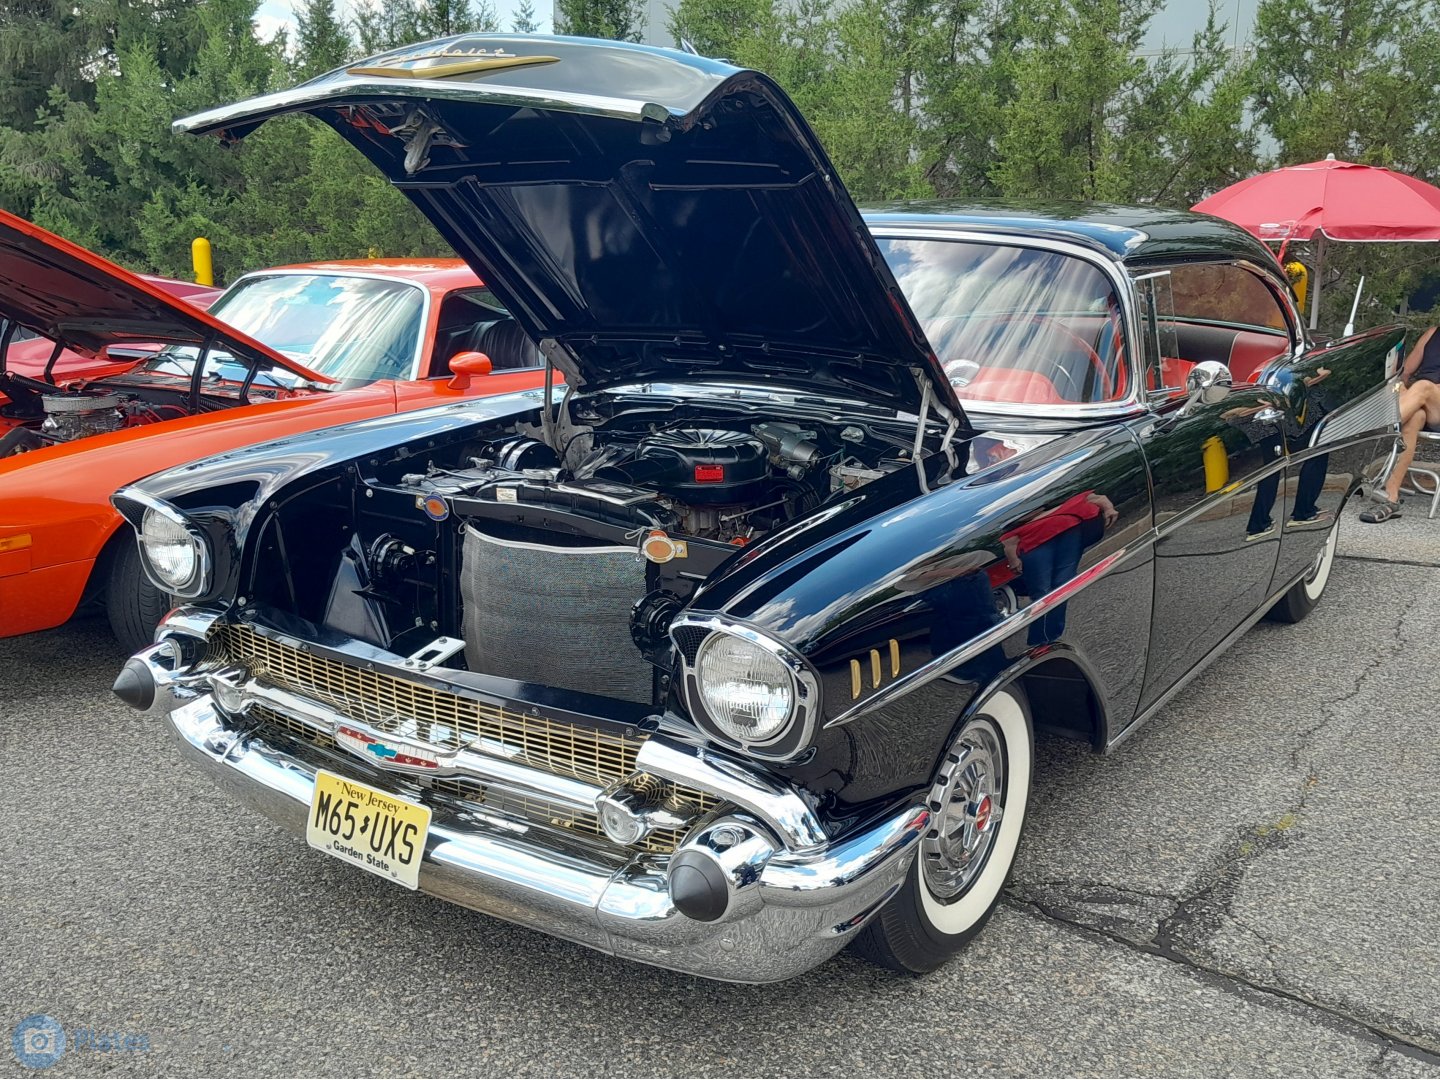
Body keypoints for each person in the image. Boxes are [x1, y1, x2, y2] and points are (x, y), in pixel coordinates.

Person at [1361, 326, 1440, 523]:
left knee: (1423, 386)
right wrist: (1401, 388)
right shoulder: (1432, 333)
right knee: (1413, 417)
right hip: (1420, 401)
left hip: (1434, 400)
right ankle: (1391, 497)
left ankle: (1372, 432)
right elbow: (1405, 372)